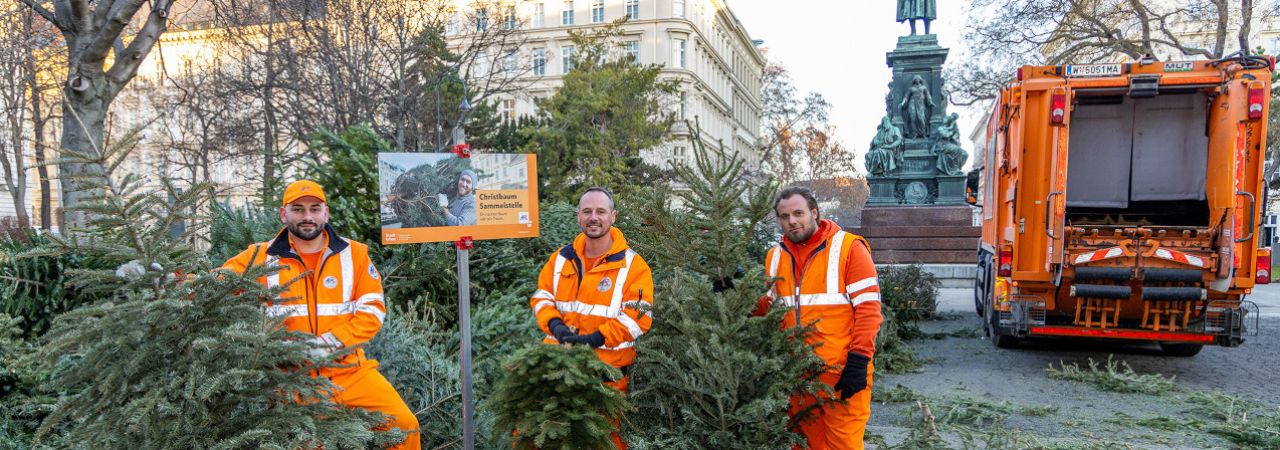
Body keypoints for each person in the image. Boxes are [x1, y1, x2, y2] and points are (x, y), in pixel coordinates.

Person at [221, 180, 420, 449]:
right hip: (292, 378)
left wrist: (331, 343)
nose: (307, 216)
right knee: (309, 442)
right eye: (298, 209)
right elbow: (215, 285)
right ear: (284, 214)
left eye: (314, 209)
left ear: (326, 213)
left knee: (404, 425)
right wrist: (173, 278)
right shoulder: (259, 256)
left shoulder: (355, 254)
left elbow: (372, 311)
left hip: (351, 371)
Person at [753, 186, 884, 450]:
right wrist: (736, 292)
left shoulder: (849, 248)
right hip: (796, 375)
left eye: (798, 213)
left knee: (843, 445)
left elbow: (869, 310)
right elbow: (766, 309)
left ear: (814, 212)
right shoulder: (775, 257)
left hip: (840, 373)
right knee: (802, 444)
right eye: (785, 216)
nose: (792, 221)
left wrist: (859, 361)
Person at [528, 187, 654, 449]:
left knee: (604, 441)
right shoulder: (561, 259)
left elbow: (637, 318)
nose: (593, 217)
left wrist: (596, 338)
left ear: (613, 216)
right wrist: (556, 326)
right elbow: (542, 297)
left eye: (600, 211)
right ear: (578, 216)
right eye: (587, 211)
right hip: (556, 368)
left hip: (605, 378)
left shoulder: (634, 266)